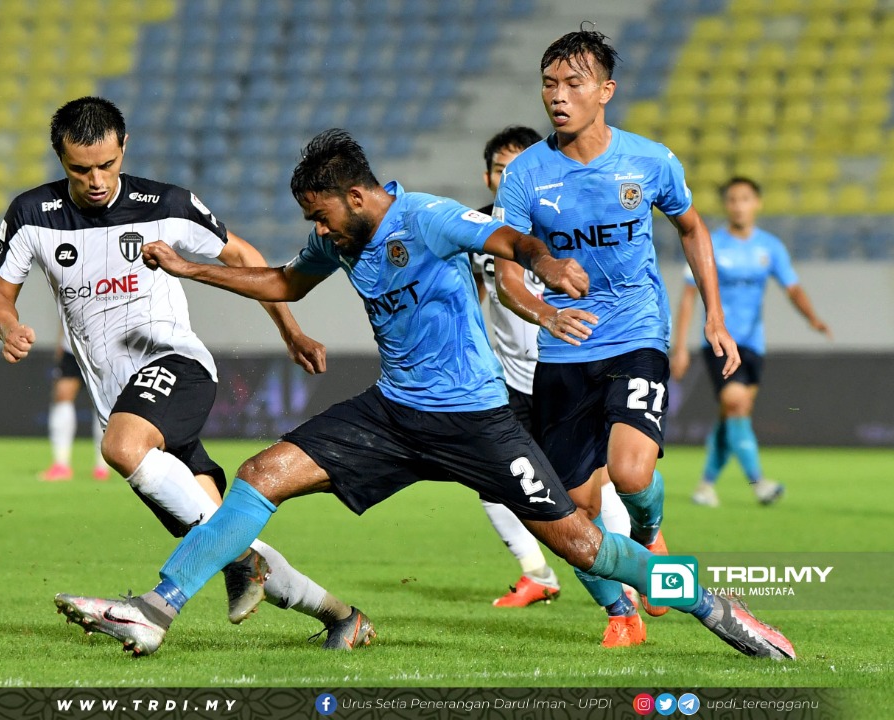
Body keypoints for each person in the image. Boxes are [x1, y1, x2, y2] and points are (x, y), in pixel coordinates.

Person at [53, 128, 794, 662]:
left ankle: (708, 602)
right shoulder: (339, 239)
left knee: (586, 546)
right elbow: (285, 282)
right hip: (392, 414)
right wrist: (193, 269)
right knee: (259, 475)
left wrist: (544, 263)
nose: (317, 229)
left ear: (356, 195)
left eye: (320, 214)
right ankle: (156, 609)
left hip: (477, 421)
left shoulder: (427, 218)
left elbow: (508, 241)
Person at [0, 97, 369, 650]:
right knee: (218, 536)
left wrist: (290, 330)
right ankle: (340, 617)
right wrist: (8, 326)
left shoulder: (165, 204)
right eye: (80, 169)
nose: (96, 181)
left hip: (175, 366)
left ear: (124, 147)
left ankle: (210, 580)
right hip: (120, 400)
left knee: (121, 448)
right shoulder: (31, 214)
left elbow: (242, 256)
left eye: (107, 165)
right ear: (60, 159)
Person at [491, 29, 740, 647]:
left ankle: (649, 533)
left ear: (606, 91)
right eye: (549, 84)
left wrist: (714, 315)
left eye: (573, 83)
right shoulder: (525, 175)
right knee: (571, 506)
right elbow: (507, 275)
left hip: (635, 333)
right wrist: (545, 315)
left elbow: (692, 228)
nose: (558, 95)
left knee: (629, 475)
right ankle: (623, 609)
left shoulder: (649, 160)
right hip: (563, 349)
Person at [472, 126, 632, 608]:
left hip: (568, 373)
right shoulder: (476, 232)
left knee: (593, 484)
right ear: (487, 177)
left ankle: (630, 572)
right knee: (492, 480)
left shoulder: (566, 222)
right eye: (500, 169)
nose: (509, 177)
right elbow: (475, 294)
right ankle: (536, 573)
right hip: (508, 382)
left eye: (518, 167)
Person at [670, 176, 831, 508]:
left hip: (754, 345)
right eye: (732, 199)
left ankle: (705, 486)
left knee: (731, 415)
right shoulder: (709, 243)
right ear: (726, 205)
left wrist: (812, 318)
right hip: (719, 340)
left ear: (757, 203)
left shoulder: (770, 247)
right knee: (736, 405)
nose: (738, 205)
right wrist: (680, 346)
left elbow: (792, 288)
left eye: (745, 199)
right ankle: (759, 483)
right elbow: (688, 297)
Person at [39, 331, 109, 482]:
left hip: (104, 347)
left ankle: (102, 466)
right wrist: (60, 343)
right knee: (62, 395)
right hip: (72, 347)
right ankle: (61, 465)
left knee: (102, 400)